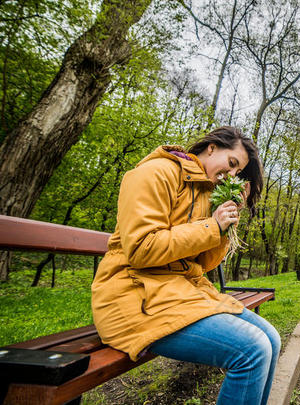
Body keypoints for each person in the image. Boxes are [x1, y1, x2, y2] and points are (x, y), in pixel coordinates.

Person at [91, 126, 281, 405]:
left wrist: (224, 227)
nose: (231, 176)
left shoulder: (205, 194)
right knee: (252, 350)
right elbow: (141, 249)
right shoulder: (156, 172)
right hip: (132, 298)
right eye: (231, 164)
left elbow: (203, 264)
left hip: (174, 295)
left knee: (272, 340)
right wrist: (212, 225)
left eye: (238, 173)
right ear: (212, 147)